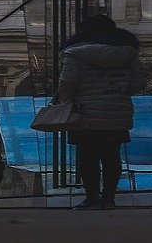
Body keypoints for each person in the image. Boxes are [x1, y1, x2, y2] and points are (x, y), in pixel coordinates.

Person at [58, 14, 144, 210]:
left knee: (87, 158)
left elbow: (68, 82)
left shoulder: (75, 53)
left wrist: (67, 101)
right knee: (111, 157)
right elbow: (139, 82)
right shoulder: (128, 53)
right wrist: (118, 93)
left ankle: (91, 197)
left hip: (85, 113)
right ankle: (109, 198)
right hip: (117, 112)